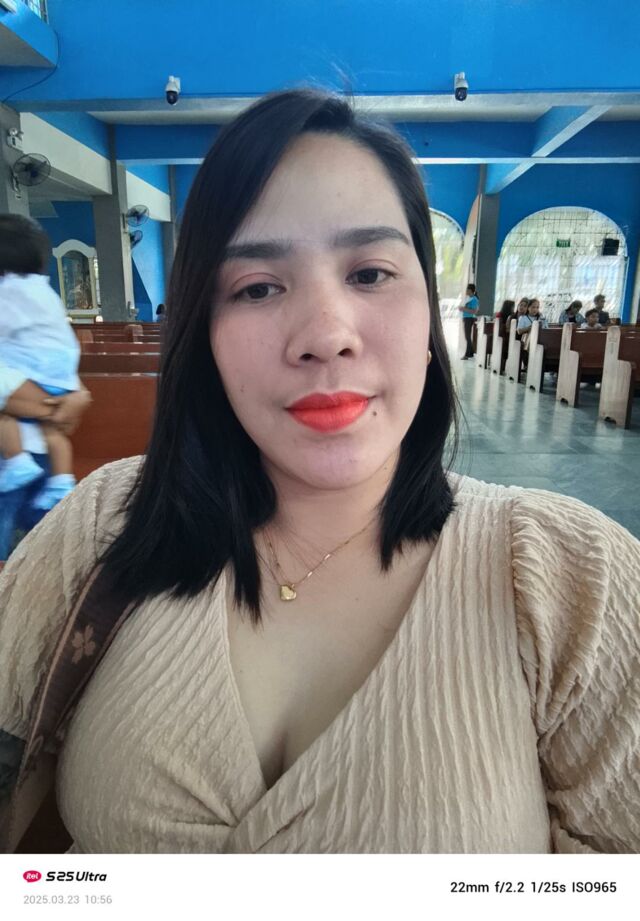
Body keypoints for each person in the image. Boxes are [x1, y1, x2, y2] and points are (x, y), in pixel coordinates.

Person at [1, 88, 639, 856]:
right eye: (257, 286)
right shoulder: (106, 523)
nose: (326, 335)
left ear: (429, 320)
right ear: (204, 332)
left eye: (370, 273)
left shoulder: (573, 580)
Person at [0, 216, 81, 512]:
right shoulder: (43, 292)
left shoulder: (9, 293)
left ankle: (18, 463)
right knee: (52, 432)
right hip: (57, 383)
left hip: (23, 441)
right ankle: (62, 482)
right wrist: (72, 395)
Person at [0, 363, 91, 559]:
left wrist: (78, 393)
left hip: (43, 456)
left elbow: (58, 368)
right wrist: (62, 405)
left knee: (46, 549)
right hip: (8, 457)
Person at [458, 283, 479, 359]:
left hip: (469, 319)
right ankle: (471, 353)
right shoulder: (469, 298)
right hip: (466, 318)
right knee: (467, 336)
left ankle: (467, 355)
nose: (466, 291)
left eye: (467, 289)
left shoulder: (474, 299)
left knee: (467, 337)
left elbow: (474, 311)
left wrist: (463, 309)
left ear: (470, 290)